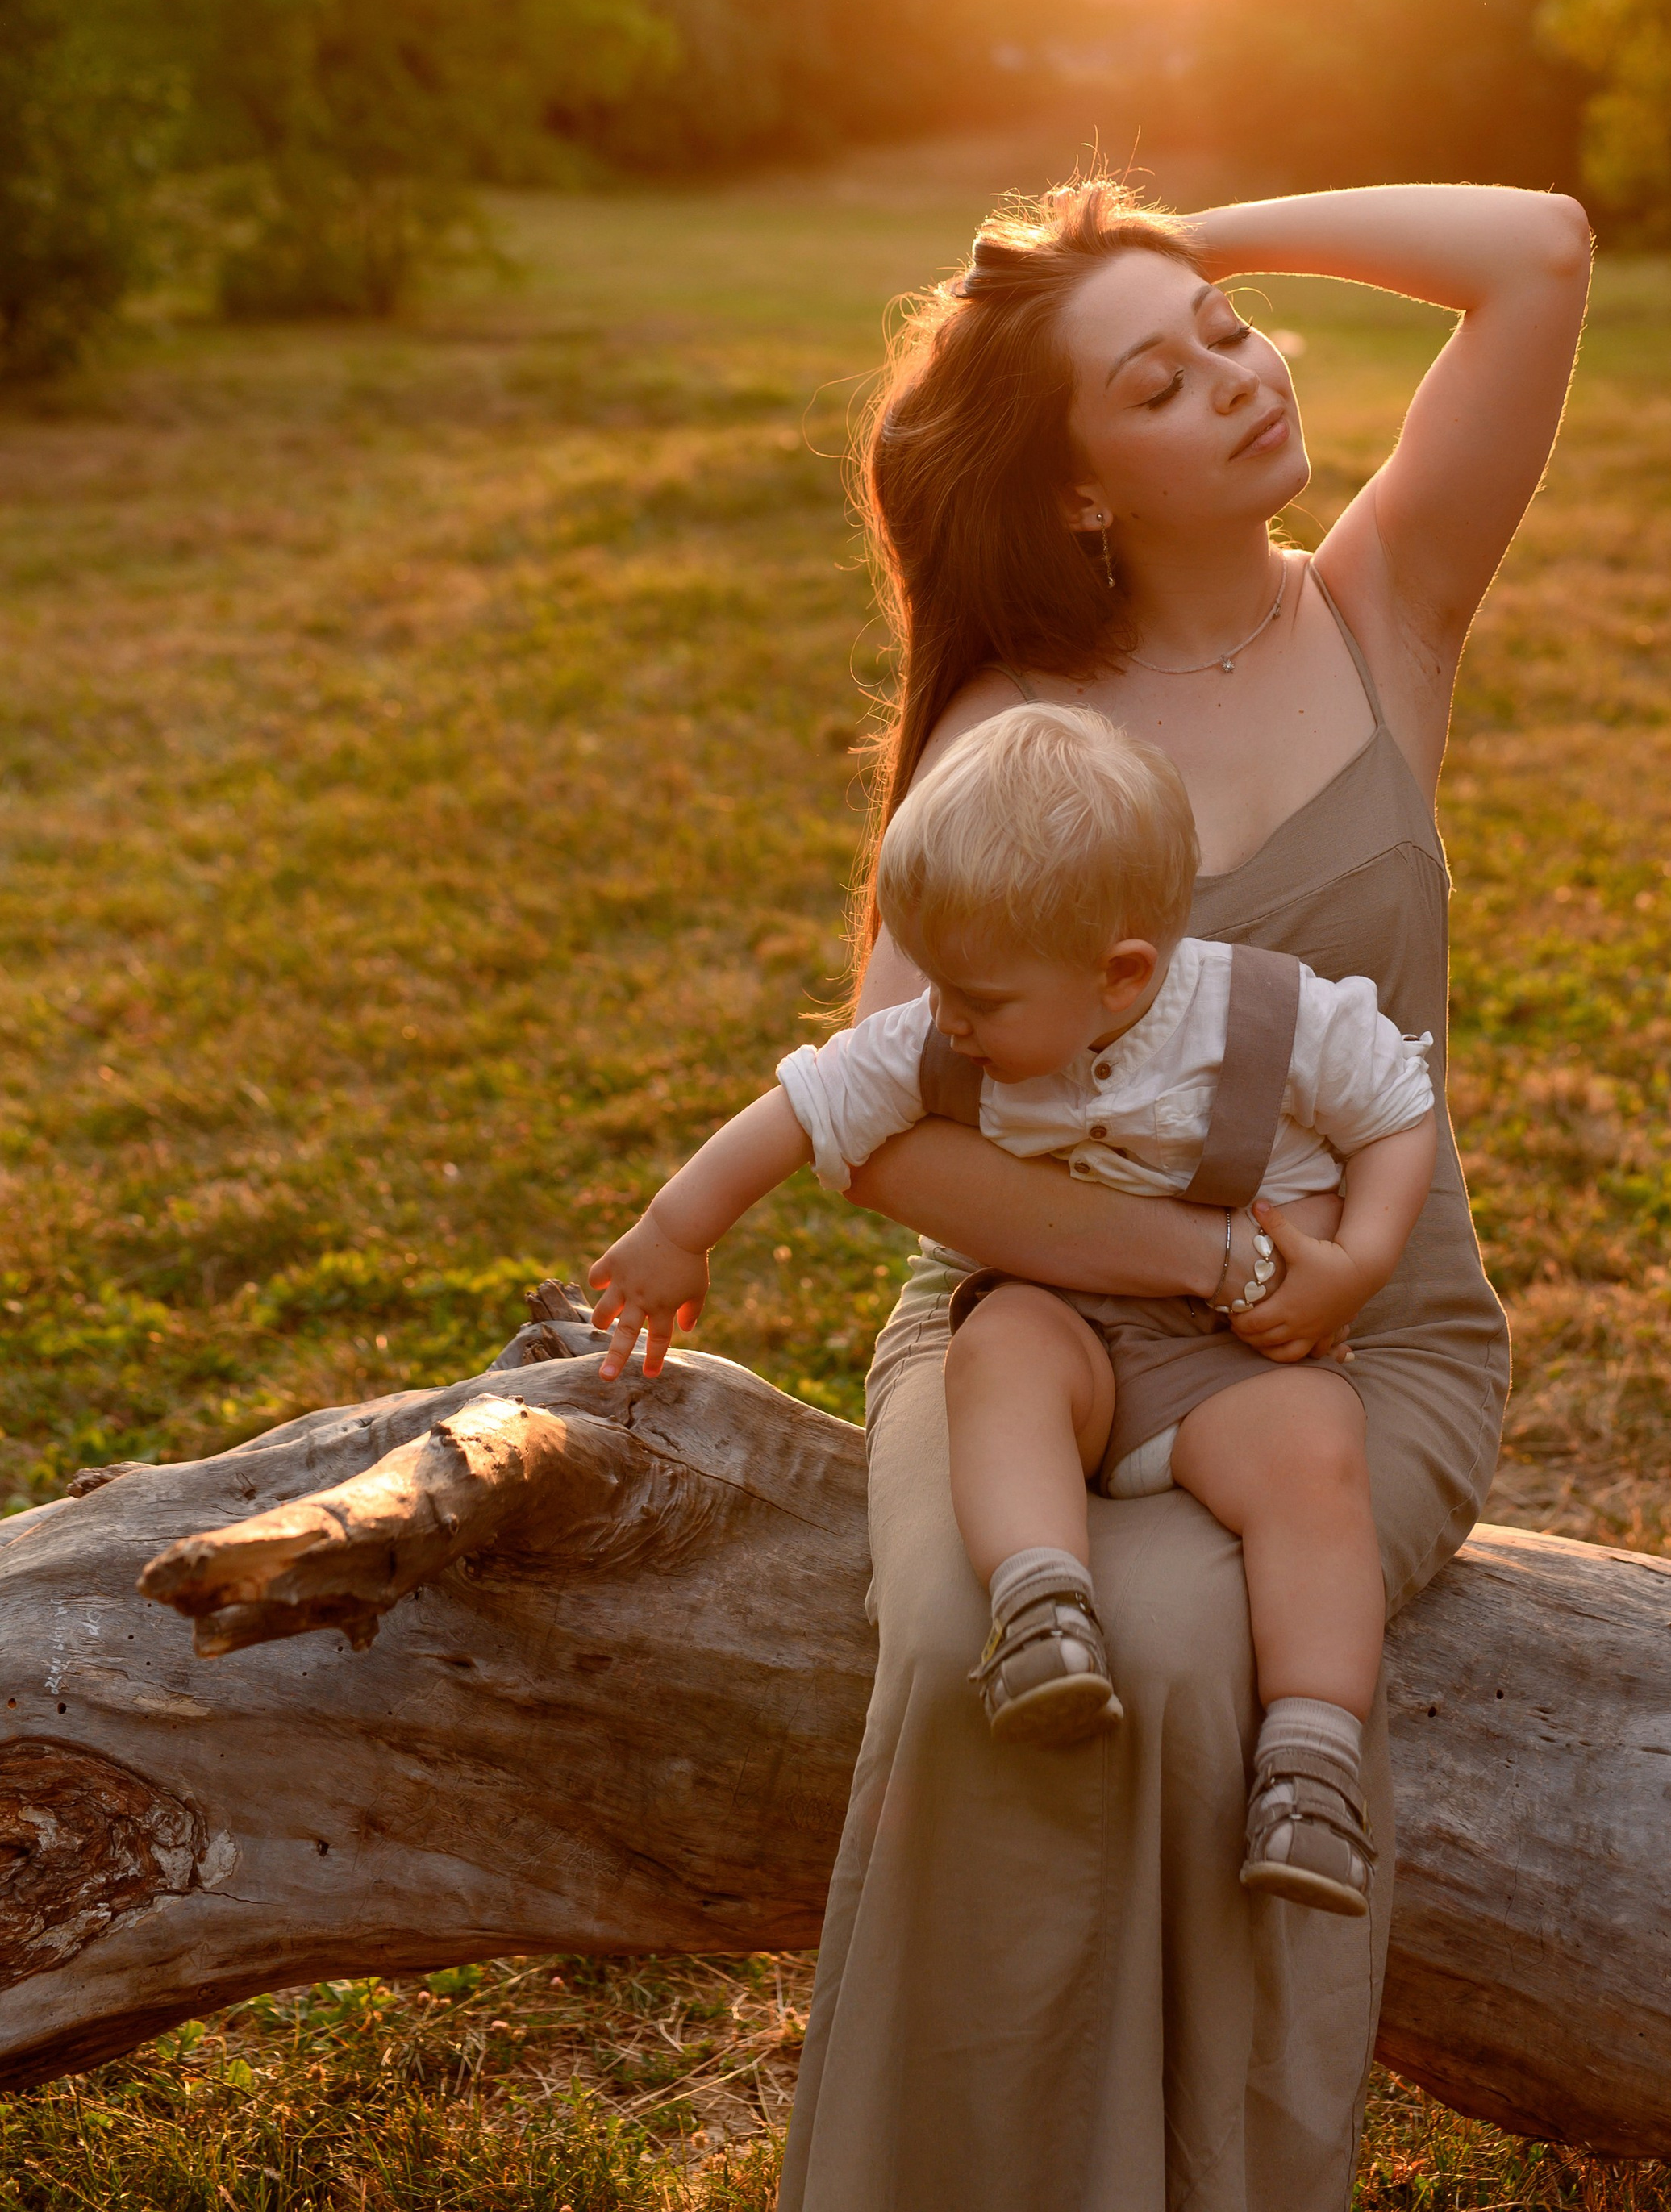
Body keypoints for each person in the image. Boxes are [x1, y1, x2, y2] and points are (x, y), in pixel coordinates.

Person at [781, 169, 1589, 2212]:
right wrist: (1194, 1252)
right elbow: (894, 1142)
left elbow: (1537, 250)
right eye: (1158, 380)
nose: (1236, 378)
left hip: (1361, 1328)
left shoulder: (1381, 602)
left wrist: (1164, 238)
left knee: (1201, 1656)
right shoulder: (1013, 735)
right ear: (1072, 490)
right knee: (1026, 1651)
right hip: (1028, 1326)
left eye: (1229, 333)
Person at [585, 700, 1439, 1918]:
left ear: (1124, 974)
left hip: (1231, 1358)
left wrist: (1354, 1264)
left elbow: (1397, 1110)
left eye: (979, 998)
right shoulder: (947, 1029)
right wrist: (677, 1229)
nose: (944, 1019)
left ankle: (1312, 1757)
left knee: (1314, 1458)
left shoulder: (1274, 1016)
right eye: (936, 984)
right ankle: (1043, 1607)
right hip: (1066, 1327)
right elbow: (800, 1110)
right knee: (1000, 1352)